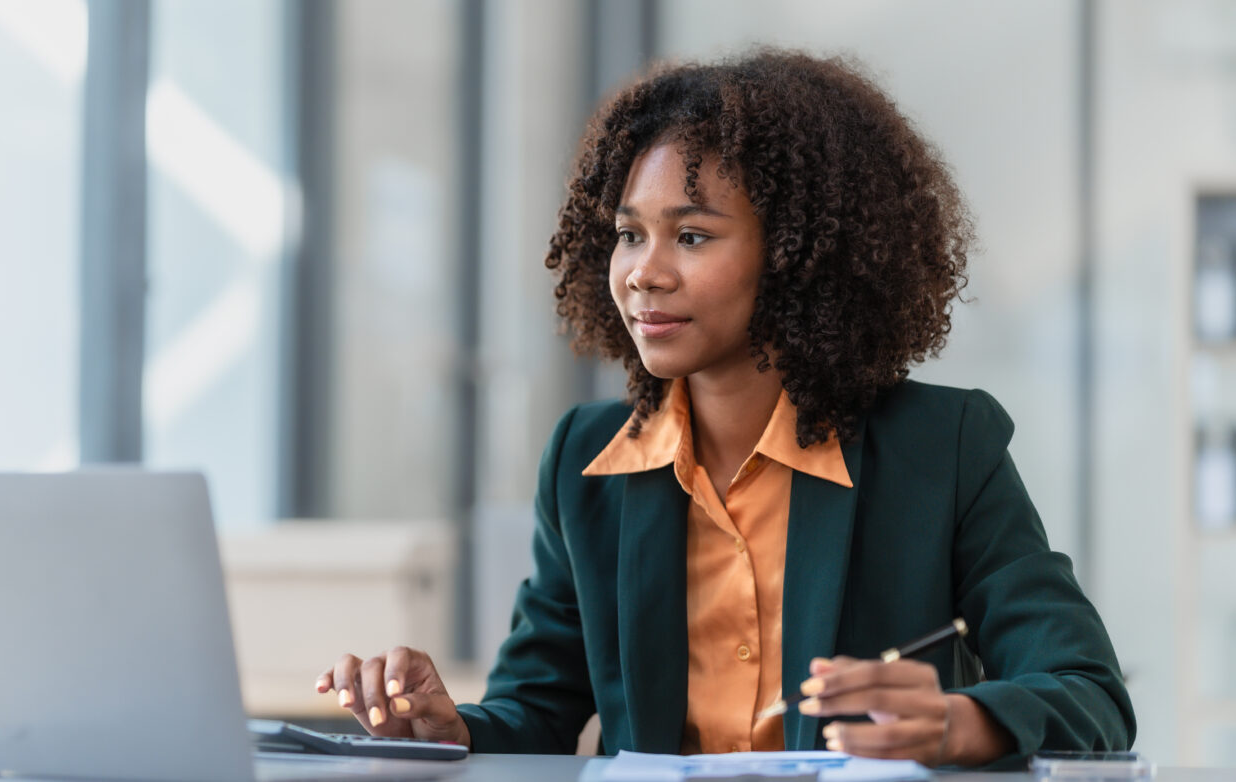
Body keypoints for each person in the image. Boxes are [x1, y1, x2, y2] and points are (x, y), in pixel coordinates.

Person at [315, 48, 1136, 767]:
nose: (644, 272)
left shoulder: (944, 447)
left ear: (796, 256)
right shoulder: (585, 459)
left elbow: (1088, 693)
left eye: (694, 236)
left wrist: (954, 725)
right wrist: (450, 726)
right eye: (630, 234)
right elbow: (539, 708)